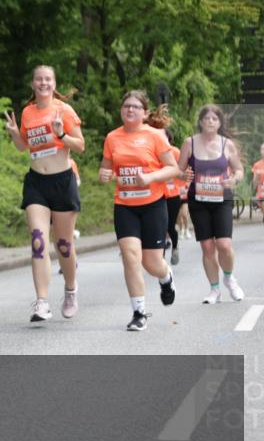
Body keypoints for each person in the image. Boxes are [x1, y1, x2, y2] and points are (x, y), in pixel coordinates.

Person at [4, 65, 85, 323]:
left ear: (54, 83)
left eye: (48, 79)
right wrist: (16, 134)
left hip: (62, 181)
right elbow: (24, 147)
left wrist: (62, 134)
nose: (43, 83)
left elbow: (81, 145)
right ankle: (41, 302)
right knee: (38, 240)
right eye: (39, 79)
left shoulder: (64, 110)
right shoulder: (28, 112)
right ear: (33, 84)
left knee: (63, 245)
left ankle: (70, 290)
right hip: (36, 183)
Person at [99, 91, 180, 332]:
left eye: (136, 107)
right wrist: (104, 175)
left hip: (153, 206)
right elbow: (106, 170)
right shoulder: (112, 138)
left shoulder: (154, 136)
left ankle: (166, 279)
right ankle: (139, 312)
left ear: (145, 113)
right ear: (121, 110)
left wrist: (150, 178)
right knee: (130, 256)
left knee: (152, 264)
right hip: (125, 206)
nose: (130, 110)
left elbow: (173, 169)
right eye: (126, 106)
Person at [177, 104, 245, 303]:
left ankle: (229, 278)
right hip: (198, 200)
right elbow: (179, 170)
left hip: (222, 199)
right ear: (200, 122)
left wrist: (233, 180)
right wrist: (184, 175)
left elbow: (239, 170)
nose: (210, 121)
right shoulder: (189, 143)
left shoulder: (227, 145)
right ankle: (214, 289)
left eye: (214, 119)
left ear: (219, 123)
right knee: (207, 247)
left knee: (224, 244)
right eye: (206, 118)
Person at [162, 128, 184, 266]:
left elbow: (183, 171)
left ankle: (175, 248)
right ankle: (160, 257)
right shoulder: (154, 151)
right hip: (158, 195)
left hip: (173, 194)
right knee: (159, 225)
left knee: (170, 225)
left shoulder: (175, 152)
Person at [253, 141, 264, 223]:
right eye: (263, 149)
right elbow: (255, 180)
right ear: (260, 151)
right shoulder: (257, 164)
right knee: (261, 199)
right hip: (261, 188)